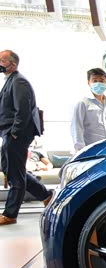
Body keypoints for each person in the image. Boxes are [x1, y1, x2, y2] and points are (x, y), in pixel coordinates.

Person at [0, 50, 53, 226]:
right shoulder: (10, 81)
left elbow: (22, 110)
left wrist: (15, 133)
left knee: (15, 174)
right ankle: (46, 195)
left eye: (2, 60)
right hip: (9, 133)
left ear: (13, 64)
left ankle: (10, 214)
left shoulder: (19, 81)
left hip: (16, 134)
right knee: (12, 169)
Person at [71, 68, 106, 153]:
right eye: (94, 81)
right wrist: (81, 151)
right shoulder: (83, 103)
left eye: (101, 81)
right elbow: (77, 128)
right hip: (90, 150)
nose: (98, 83)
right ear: (88, 83)